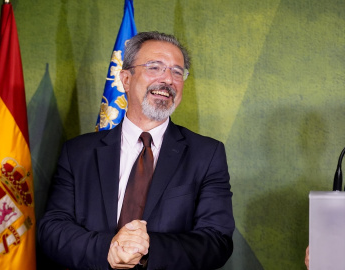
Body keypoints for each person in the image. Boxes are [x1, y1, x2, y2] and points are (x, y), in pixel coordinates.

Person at [38, 31, 235, 269]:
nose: (168, 80)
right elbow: (52, 229)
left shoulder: (207, 154)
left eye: (177, 71)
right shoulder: (77, 153)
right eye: (155, 67)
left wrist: (147, 249)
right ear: (126, 79)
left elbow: (216, 241)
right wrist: (108, 250)